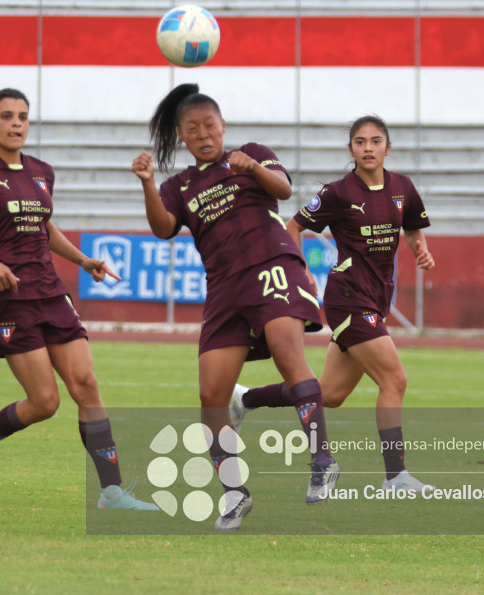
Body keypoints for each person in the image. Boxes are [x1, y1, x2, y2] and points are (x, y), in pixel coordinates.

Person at [0, 88, 157, 511]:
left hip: (51, 291)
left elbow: (44, 226)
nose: (16, 124)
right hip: (8, 298)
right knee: (45, 402)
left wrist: (83, 259)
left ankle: (112, 492)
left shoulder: (41, 171)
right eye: (7, 116)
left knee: (86, 385)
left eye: (22, 117)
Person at [131, 83, 339, 531]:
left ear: (223, 126)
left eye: (210, 125)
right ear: (183, 138)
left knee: (289, 356)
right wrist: (148, 184)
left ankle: (322, 459)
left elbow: (283, 190)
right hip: (223, 288)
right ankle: (234, 491)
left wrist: (253, 168)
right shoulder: (179, 185)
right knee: (211, 395)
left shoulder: (251, 153)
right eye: (193, 129)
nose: (204, 134)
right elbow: (163, 227)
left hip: (270, 267)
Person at [230, 115, 437, 493]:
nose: (368, 147)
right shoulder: (339, 192)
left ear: (388, 148)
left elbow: (411, 227)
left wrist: (419, 249)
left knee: (332, 395)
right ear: (351, 150)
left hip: (376, 299)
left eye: (376, 141)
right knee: (395, 379)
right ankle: (396, 476)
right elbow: (292, 226)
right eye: (360, 142)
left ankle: (245, 399)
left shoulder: (403, 188)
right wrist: (301, 268)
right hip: (348, 298)